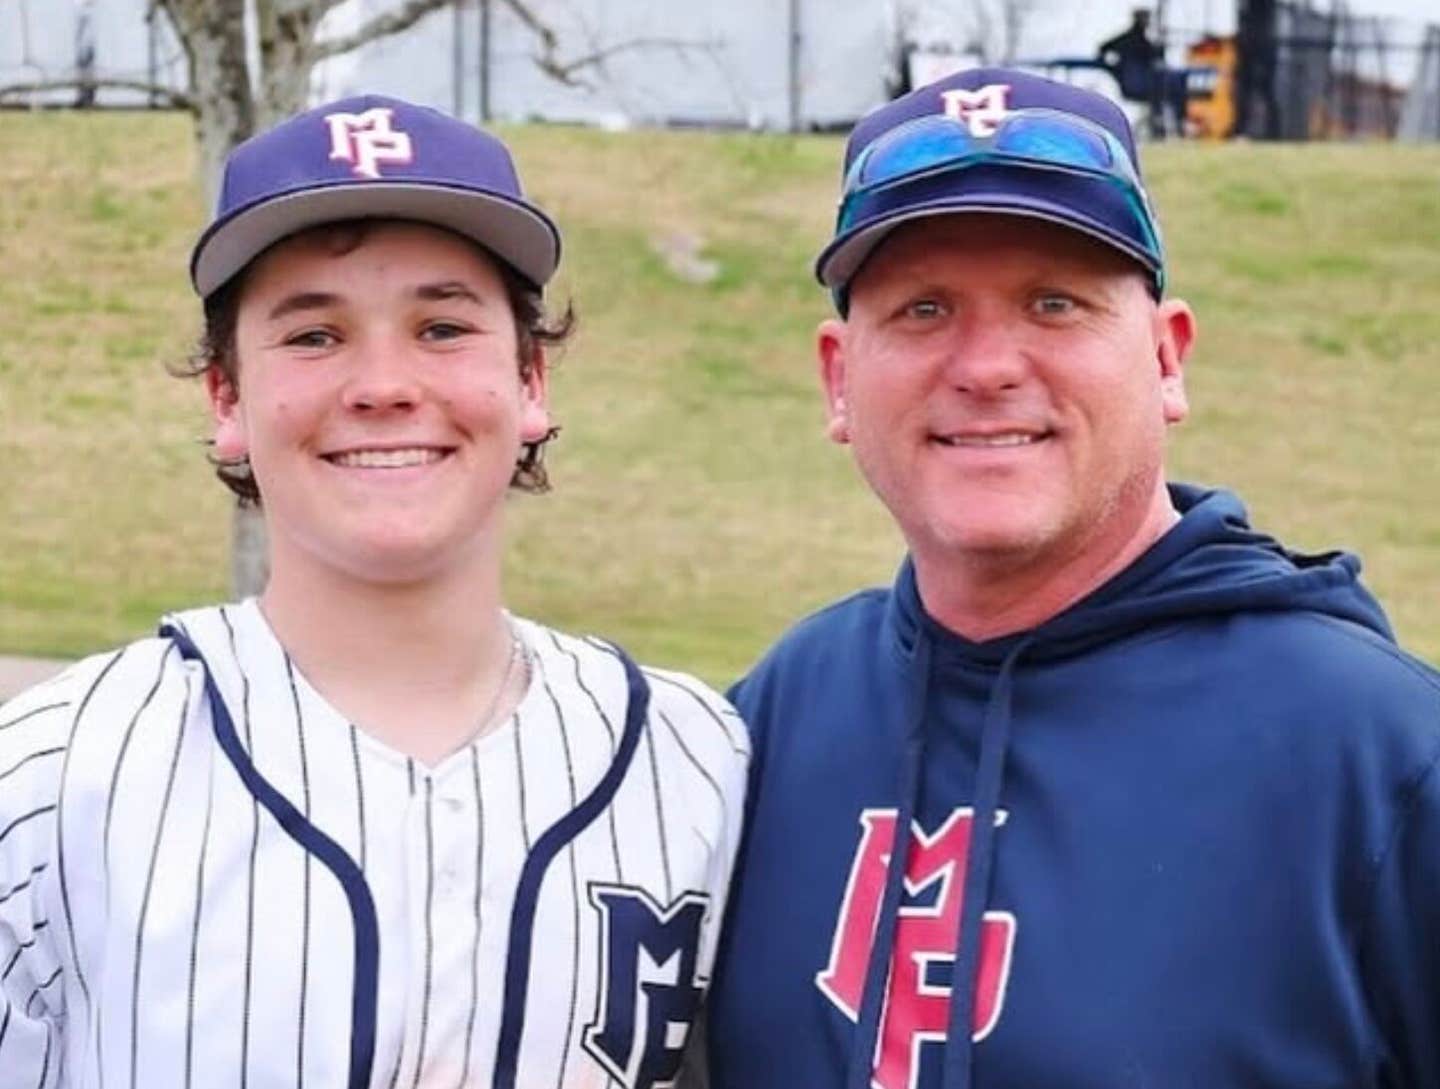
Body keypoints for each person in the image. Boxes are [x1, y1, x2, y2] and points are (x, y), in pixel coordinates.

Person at [702, 67, 1440, 1089]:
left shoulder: (1380, 756)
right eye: (922, 310)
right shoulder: (781, 712)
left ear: (1167, 358)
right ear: (838, 378)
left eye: (1056, 304)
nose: (988, 365)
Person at [0, 95, 748, 1089]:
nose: (384, 384)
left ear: (531, 382)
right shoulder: (56, 777)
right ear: (226, 397)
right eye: (313, 337)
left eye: (442, 327)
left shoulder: (694, 760)